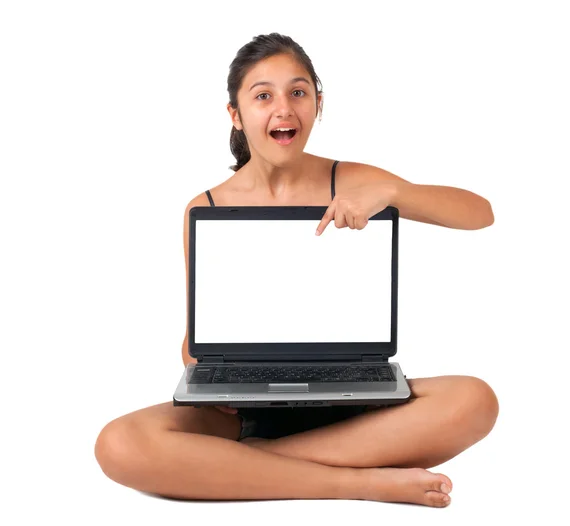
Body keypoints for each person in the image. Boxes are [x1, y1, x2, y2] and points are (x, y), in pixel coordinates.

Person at [94, 32, 499, 507]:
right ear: (236, 115)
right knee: (117, 443)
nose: (283, 108)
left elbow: (480, 213)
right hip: (239, 411)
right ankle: (362, 483)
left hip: (355, 411)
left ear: (317, 104)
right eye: (263, 95)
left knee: (476, 400)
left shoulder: (349, 180)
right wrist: (203, 358)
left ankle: (247, 464)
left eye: (298, 92)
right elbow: (193, 338)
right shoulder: (203, 207)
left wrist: (393, 194)